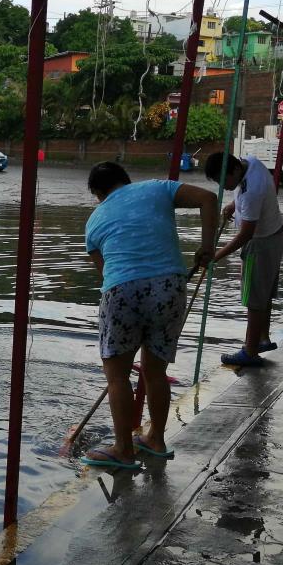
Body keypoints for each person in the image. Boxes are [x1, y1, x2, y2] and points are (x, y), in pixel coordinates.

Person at [82, 162, 218, 470]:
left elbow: (106, 278)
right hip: (170, 286)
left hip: (122, 289)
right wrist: (207, 247)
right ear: (126, 180)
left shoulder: (94, 221)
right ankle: (156, 438)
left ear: (98, 193)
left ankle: (123, 450)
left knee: (117, 377)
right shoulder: (158, 188)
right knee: (154, 372)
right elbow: (209, 199)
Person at [204, 150, 283, 368]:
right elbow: (241, 191)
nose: (223, 187)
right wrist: (234, 205)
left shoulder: (253, 190)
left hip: (260, 243)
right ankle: (262, 339)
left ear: (234, 170)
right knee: (264, 293)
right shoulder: (250, 162)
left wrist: (216, 256)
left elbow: (245, 235)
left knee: (254, 298)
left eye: (225, 181)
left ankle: (250, 352)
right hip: (275, 235)